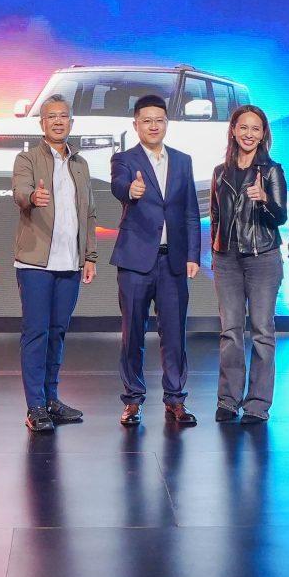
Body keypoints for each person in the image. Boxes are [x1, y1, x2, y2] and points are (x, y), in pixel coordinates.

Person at [109, 94, 202, 428]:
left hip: (172, 261)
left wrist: (193, 254)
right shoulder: (124, 159)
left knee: (174, 333)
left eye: (159, 120)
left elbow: (190, 211)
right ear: (136, 124)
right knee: (132, 332)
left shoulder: (182, 160)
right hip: (135, 259)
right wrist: (130, 191)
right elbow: (119, 186)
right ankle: (133, 400)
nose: (153, 126)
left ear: (166, 123)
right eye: (146, 121)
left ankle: (175, 399)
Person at [12, 93, 98, 433]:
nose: (58, 121)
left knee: (58, 332)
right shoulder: (27, 158)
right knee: (37, 332)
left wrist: (89, 256)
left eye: (63, 116)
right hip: (35, 263)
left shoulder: (81, 164)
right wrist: (33, 197)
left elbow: (89, 213)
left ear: (71, 122)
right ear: (42, 123)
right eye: (51, 116)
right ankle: (35, 406)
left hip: (70, 262)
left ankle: (51, 399)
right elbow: (20, 192)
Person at [208, 104, 287, 424]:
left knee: (262, 331)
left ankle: (257, 404)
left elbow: (281, 216)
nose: (249, 134)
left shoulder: (271, 170)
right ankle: (228, 400)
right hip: (227, 259)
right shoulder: (220, 172)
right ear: (233, 130)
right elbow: (215, 216)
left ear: (263, 134)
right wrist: (215, 249)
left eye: (256, 129)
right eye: (243, 127)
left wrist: (264, 199)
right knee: (230, 331)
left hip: (262, 256)